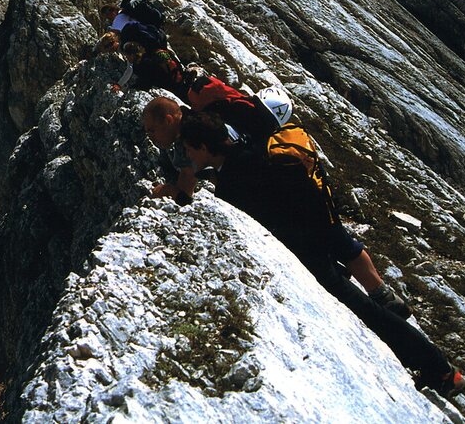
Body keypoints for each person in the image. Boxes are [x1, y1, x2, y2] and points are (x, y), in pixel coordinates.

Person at [177, 111, 464, 396]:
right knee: (366, 310)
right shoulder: (249, 150)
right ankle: (434, 367)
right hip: (317, 238)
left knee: (367, 312)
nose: (188, 154)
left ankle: (441, 370)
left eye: (190, 148)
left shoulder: (234, 179)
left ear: (203, 147)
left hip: (306, 253)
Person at [142, 95, 411, 318]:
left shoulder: (188, 140)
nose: (151, 137)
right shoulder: (200, 116)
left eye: (152, 130)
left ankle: (382, 305)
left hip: (290, 196)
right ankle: (382, 295)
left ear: (169, 120)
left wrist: (169, 193)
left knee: (333, 247)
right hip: (295, 187)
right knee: (339, 240)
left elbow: (186, 192)